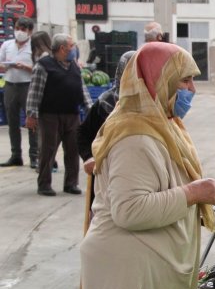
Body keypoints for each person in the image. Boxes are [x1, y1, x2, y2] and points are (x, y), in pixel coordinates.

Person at [72, 42, 215, 289]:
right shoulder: (135, 135)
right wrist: (192, 193)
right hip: (126, 279)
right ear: (162, 81)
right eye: (185, 79)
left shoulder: (162, 124)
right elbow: (129, 209)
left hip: (141, 272)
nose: (191, 88)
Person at [26, 34, 92, 196]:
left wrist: (90, 110)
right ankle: (44, 184)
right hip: (50, 116)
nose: (74, 49)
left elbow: (82, 91)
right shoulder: (43, 66)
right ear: (62, 48)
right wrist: (31, 114)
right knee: (48, 150)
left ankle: (71, 184)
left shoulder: (74, 66)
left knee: (72, 150)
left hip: (72, 115)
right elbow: (35, 91)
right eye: (72, 45)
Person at [78, 51, 136, 175]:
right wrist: (88, 157)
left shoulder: (152, 102)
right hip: (106, 171)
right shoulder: (106, 102)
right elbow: (83, 133)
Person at [0, 17, 38, 168]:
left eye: (23, 29)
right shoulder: (7, 45)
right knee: (12, 122)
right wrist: (5, 67)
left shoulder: (34, 46)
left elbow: (39, 67)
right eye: (17, 28)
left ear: (30, 31)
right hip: (10, 85)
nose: (19, 32)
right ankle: (16, 155)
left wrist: (25, 67)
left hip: (28, 86)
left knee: (32, 121)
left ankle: (34, 156)